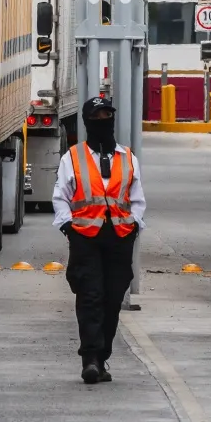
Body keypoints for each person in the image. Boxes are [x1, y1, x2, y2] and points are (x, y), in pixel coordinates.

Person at [53, 94, 146, 384]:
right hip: (85, 237)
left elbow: (137, 199)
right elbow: (61, 197)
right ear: (87, 122)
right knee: (90, 295)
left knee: (113, 297)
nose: (103, 122)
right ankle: (90, 359)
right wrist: (68, 226)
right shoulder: (73, 157)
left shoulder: (127, 157)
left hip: (119, 237)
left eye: (107, 117)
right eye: (97, 118)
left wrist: (134, 226)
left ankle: (102, 356)